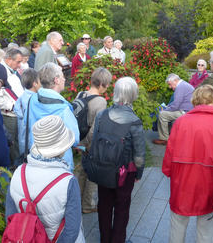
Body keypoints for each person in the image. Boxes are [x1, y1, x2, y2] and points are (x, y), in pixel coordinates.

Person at [162, 85, 213, 243]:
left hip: (183, 183)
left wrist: (168, 171)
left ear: (195, 100)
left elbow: (169, 156)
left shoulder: (181, 122)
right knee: (207, 230)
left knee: (178, 224)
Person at [5, 115, 84, 242]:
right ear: (62, 147)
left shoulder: (18, 173)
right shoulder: (68, 181)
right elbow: (72, 229)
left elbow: (10, 217)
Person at [94, 77, 146, 243]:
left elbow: (95, 142)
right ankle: (117, 240)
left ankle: (105, 239)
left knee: (104, 205)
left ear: (115, 92)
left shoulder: (101, 115)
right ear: (133, 95)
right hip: (126, 170)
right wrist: (139, 172)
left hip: (103, 167)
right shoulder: (135, 121)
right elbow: (139, 152)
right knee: (122, 207)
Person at [25, 63, 79, 172]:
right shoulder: (63, 108)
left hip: (36, 158)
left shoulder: (32, 100)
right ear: (56, 80)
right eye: (62, 76)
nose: (64, 78)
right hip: (59, 163)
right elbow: (75, 139)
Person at [76, 67, 112, 214]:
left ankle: (77, 200)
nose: (108, 87)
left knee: (83, 170)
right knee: (93, 174)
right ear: (102, 83)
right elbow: (95, 128)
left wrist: (79, 142)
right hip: (91, 143)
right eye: (108, 84)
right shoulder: (101, 101)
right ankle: (88, 205)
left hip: (80, 138)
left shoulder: (81, 94)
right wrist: (85, 144)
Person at [0, 49, 24, 164]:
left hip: (17, 113)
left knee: (18, 142)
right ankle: (14, 168)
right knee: (13, 144)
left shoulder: (11, 71)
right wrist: (12, 106)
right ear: (9, 59)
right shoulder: (0, 71)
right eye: (18, 62)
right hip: (9, 115)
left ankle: (18, 166)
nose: (20, 65)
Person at [153, 73, 194, 145]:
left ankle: (164, 139)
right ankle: (168, 133)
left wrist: (165, 110)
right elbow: (176, 102)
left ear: (175, 80)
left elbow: (175, 106)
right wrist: (168, 106)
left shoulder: (180, 87)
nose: (170, 87)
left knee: (162, 114)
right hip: (189, 111)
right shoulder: (183, 85)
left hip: (185, 112)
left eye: (170, 84)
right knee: (164, 111)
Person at [14, 69, 41, 166]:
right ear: (35, 84)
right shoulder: (34, 100)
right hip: (33, 144)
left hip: (23, 143)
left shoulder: (21, 98)